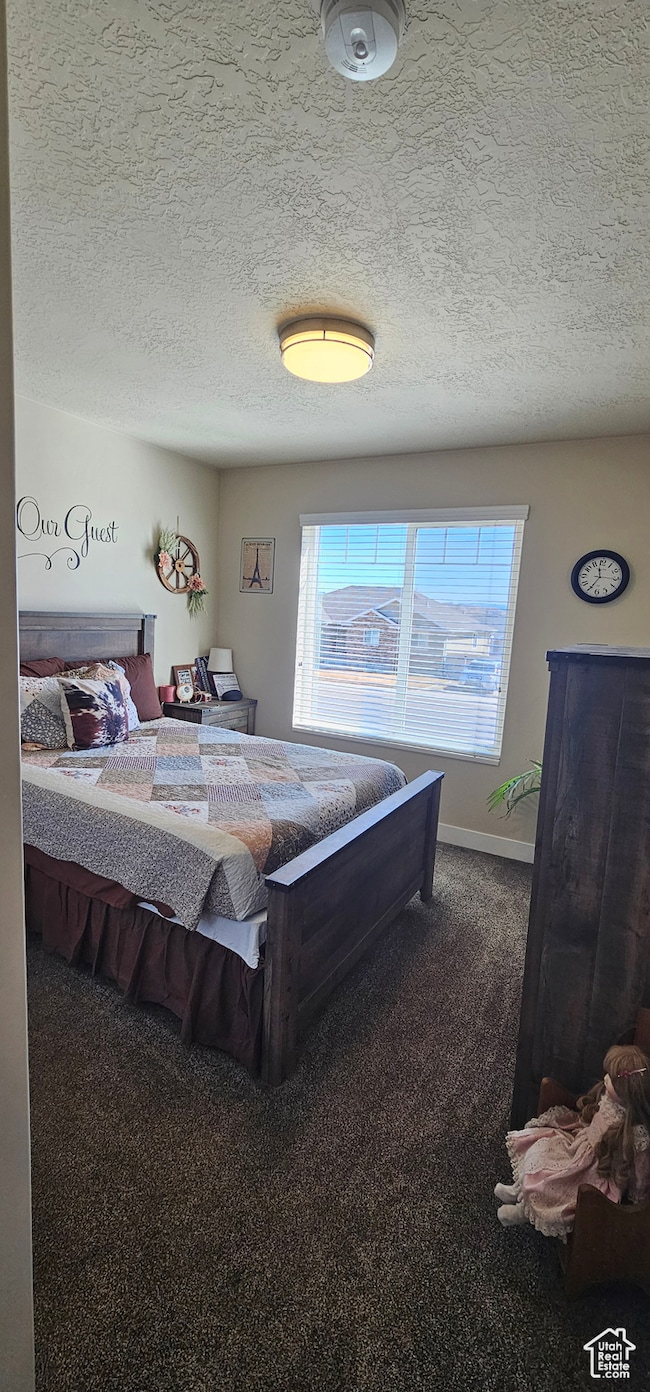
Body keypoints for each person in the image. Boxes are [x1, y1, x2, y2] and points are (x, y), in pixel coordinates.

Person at [495, 1044, 650, 1238]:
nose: (605, 1078)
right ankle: (519, 1192)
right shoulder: (609, 1102)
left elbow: (640, 1174)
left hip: (597, 1171)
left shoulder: (637, 1137)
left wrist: (636, 1203)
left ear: (627, 1093)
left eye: (611, 1079)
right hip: (579, 1148)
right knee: (541, 1150)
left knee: (555, 1186)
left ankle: (523, 1212)